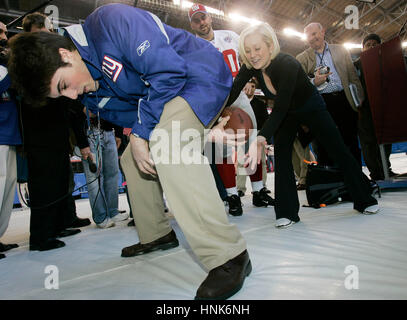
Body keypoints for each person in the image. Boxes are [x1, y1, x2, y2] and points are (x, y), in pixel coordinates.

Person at [8, 3, 250, 300]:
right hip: (169, 95)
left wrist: (141, 132)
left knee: (167, 142)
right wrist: (139, 135)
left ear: (64, 54)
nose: (72, 95)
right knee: (132, 157)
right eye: (62, 95)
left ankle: (229, 255)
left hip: (200, 75)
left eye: (64, 85)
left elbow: (168, 72)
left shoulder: (111, 21)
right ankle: (156, 233)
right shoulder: (90, 91)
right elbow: (128, 115)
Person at [226, 23, 379, 229]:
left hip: (309, 106)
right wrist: (214, 113)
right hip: (287, 113)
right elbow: (233, 91)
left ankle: (365, 199)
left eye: (257, 48)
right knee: (282, 157)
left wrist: (260, 138)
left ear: (270, 46)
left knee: (338, 150)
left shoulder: (287, 63)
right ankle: (287, 212)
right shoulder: (250, 66)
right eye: (248, 50)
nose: (252, 55)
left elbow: (280, 107)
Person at [189, 3, 274, 214]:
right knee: (223, 148)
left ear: (209, 18)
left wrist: (250, 78)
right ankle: (232, 195)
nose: (202, 23)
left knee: (252, 140)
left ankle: (258, 191)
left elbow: (249, 59)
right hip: (213, 100)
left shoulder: (230, 36)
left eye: (204, 18)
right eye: (196, 20)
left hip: (237, 94)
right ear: (192, 24)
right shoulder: (191, 46)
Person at [20, 12, 90, 252]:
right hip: (40, 134)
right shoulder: (29, 63)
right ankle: (41, 236)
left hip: (56, 132)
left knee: (59, 181)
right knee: (44, 185)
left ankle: (58, 224)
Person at [296, 22, 363, 168]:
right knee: (323, 146)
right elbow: (298, 84)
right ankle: (331, 184)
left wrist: (359, 103)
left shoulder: (340, 50)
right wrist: (314, 81)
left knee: (350, 143)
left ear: (322, 32)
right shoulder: (301, 58)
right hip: (321, 104)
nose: (312, 38)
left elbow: (353, 78)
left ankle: (357, 180)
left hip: (344, 100)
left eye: (314, 34)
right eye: (308, 36)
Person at [353, 33, 395, 181]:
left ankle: (386, 168)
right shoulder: (356, 65)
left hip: (384, 108)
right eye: (368, 44)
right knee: (368, 142)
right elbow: (353, 87)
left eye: (374, 44)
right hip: (364, 110)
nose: (371, 46)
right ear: (363, 48)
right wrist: (356, 105)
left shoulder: (386, 62)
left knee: (386, 138)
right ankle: (376, 173)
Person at [81, 114, 128, 228]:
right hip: (89, 132)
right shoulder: (76, 96)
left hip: (109, 131)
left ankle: (113, 212)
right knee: (95, 177)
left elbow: (114, 108)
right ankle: (101, 216)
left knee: (112, 173)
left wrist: (118, 133)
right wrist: (82, 143)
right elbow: (74, 114)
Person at [0, 21, 20, 259]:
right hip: (1, 134)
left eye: (5, 32)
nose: (5, 36)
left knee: (7, 186)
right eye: (0, 32)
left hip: (10, 132)